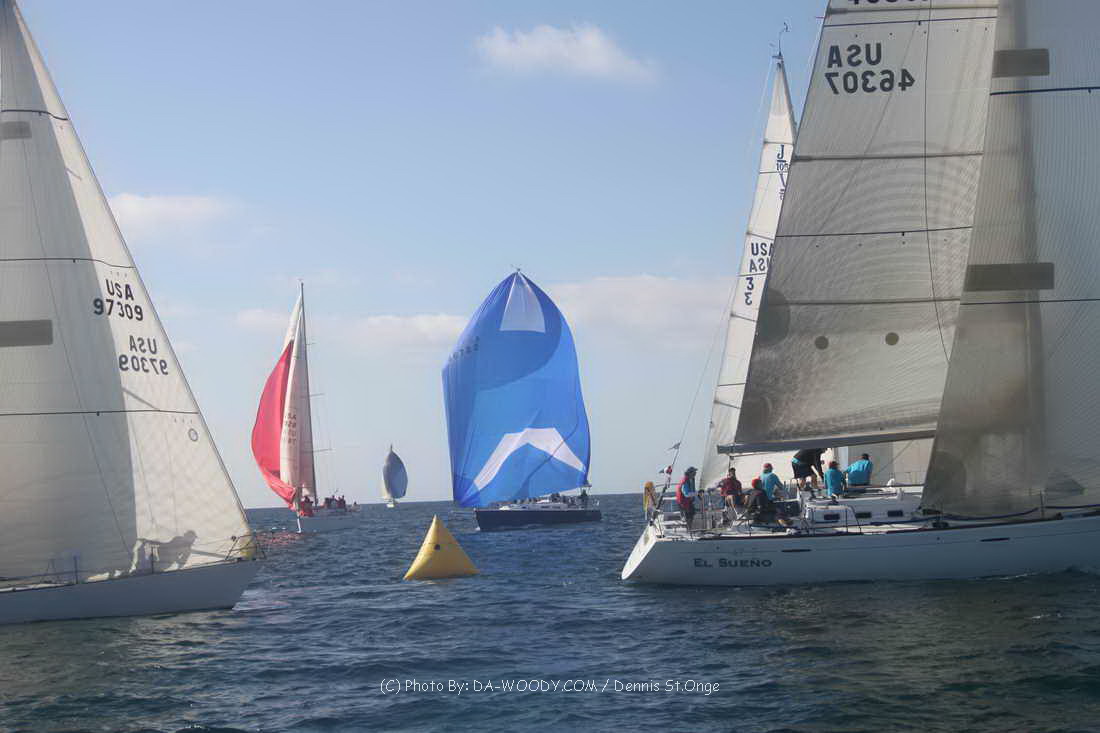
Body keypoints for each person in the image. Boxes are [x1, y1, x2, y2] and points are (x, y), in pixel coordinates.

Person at [676, 466, 698, 531]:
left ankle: (689, 529)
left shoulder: (690, 480)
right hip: (683, 503)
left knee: (692, 513)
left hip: (687, 502)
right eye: (694, 472)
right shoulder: (685, 481)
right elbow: (686, 494)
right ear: (690, 473)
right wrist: (697, 493)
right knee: (688, 515)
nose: (695, 473)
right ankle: (688, 530)